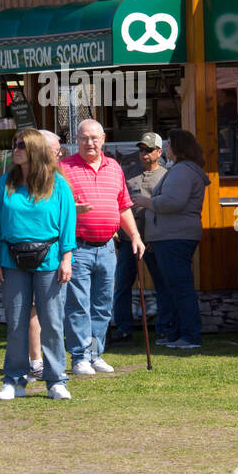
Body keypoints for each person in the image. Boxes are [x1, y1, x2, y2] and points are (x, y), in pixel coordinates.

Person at [0, 128, 77, 399]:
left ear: (35, 150)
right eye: (15, 145)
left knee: (51, 322)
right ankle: (14, 380)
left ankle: (56, 379)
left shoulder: (57, 184)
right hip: (11, 259)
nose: (15, 149)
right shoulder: (4, 183)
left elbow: (67, 224)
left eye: (21, 145)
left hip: (49, 260)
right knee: (16, 322)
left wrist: (66, 259)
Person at [60, 119, 145, 375]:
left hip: (108, 246)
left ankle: (96, 354)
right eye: (84, 138)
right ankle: (79, 357)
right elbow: (53, 206)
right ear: (77, 139)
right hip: (77, 247)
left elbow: (123, 207)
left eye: (95, 138)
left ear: (104, 139)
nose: (90, 143)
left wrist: (136, 236)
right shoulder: (64, 168)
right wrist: (71, 210)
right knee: (78, 304)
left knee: (103, 304)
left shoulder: (115, 168)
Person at [134, 129, 209, 349]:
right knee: (174, 287)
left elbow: (172, 202)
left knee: (180, 287)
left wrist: (143, 201)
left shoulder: (183, 171)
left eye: (168, 144)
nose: (166, 147)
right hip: (170, 236)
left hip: (175, 237)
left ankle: (190, 335)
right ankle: (177, 332)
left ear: (178, 147)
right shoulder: (180, 169)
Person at [110, 132, 168, 342]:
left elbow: (167, 208)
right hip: (128, 239)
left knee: (162, 283)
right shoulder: (128, 174)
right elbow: (118, 203)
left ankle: (163, 326)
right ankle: (123, 328)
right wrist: (116, 228)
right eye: (141, 149)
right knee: (123, 284)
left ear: (159, 152)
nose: (143, 154)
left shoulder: (166, 175)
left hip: (155, 238)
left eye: (148, 150)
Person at [23, 129, 65, 380]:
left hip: (55, 257)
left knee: (50, 314)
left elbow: (65, 220)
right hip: (27, 257)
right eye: (55, 151)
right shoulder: (18, 180)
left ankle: (54, 367)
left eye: (59, 152)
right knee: (32, 310)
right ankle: (35, 361)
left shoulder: (59, 180)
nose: (58, 155)